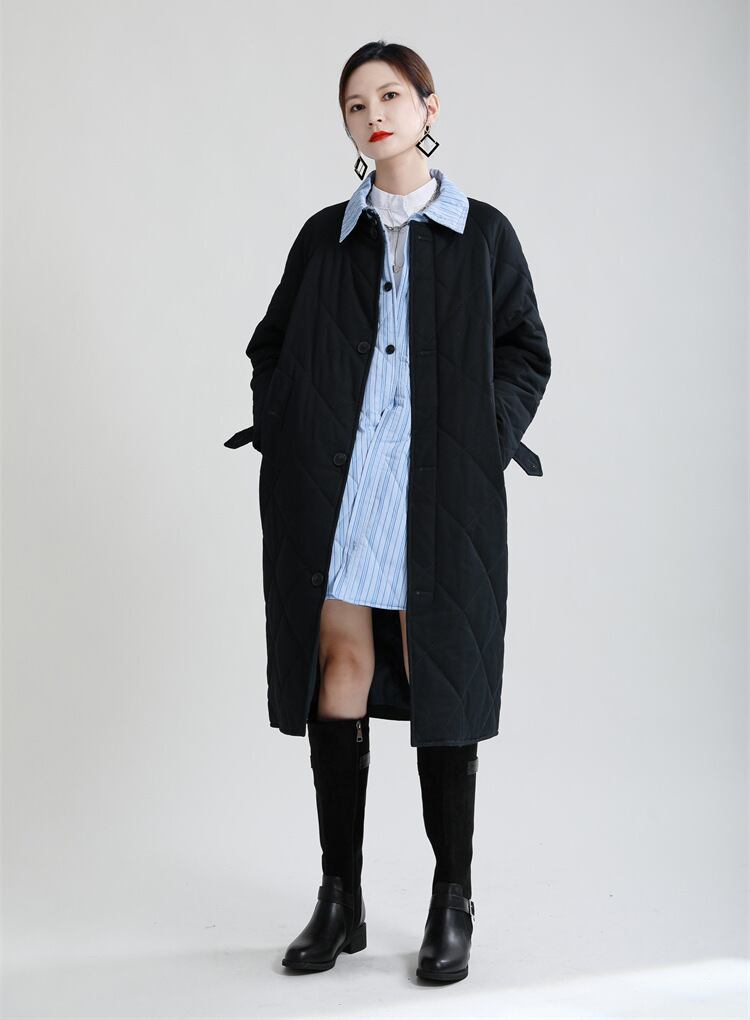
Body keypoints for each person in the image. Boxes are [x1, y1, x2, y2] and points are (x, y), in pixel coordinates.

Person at [225, 39, 551, 983]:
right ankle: (341, 896)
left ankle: (453, 898)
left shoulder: (482, 233)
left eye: (392, 96)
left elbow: (525, 349)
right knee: (339, 663)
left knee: (435, 659)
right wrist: (284, 424)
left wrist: (484, 435)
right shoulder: (325, 236)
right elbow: (271, 344)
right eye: (355, 104)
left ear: (428, 107)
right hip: (338, 477)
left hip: (438, 483)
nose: (374, 114)